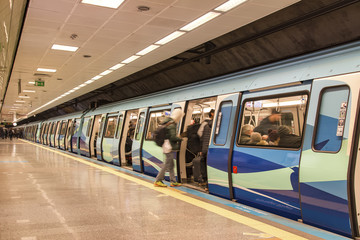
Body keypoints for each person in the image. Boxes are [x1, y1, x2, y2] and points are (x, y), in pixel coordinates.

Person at [154, 109, 184, 187]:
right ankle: (158, 180)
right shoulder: (172, 125)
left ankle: (173, 181)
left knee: (171, 165)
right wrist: (180, 139)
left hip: (165, 145)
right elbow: (173, 137)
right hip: (168, 146)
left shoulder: (167, 122)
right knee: (167, 164)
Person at [194, 109, 215, 186]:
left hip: (205, 148)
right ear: (212, 114)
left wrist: (201, 149)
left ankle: (205, 181)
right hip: (210, 149)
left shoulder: (206, 125)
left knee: (204, 165)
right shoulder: (215, 125)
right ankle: (207, 183)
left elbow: (202, 137)